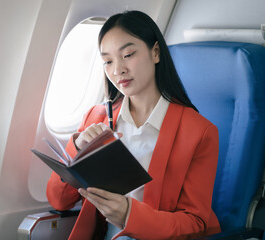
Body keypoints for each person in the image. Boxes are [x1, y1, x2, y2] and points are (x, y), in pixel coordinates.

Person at [46, 10, 220, 240]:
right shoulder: (96, 117)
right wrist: (76, 148)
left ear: (155, 52)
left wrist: (129, 214)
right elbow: (59, 200)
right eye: (108, 61)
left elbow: (195, 223)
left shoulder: (199, 132)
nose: (117, 70)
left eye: (128, 54)